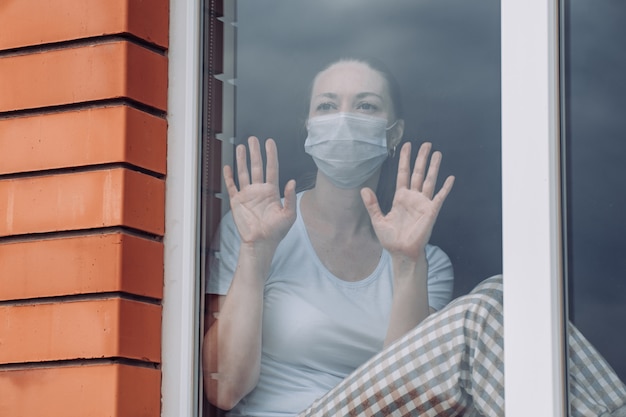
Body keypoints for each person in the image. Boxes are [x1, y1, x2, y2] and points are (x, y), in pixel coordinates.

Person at [203, 58, 626, 417]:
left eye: (365, 106)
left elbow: (412, 389)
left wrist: (407, 261)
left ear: (393, 133)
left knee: (504, 310)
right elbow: (223, 390)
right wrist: (256, 251)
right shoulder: (257, 230)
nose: (344, 120)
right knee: (486, 308)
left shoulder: (429, 261)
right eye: (328, 106)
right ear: (309, 128)